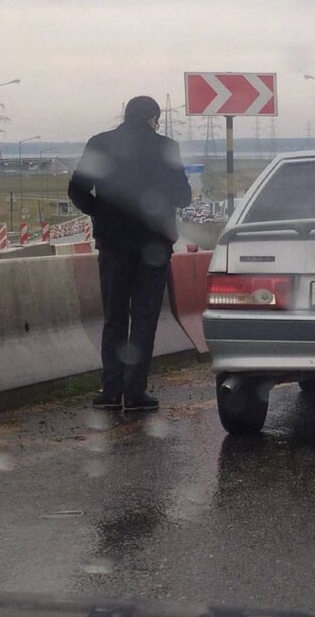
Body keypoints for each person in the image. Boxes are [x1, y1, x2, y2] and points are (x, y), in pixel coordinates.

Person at [68, 95, 192, 412]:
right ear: (153, 118)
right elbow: (183, 197)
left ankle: (110, 391)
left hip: (113, 243)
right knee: (145, 316)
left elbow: (77, 190)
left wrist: (102, 213)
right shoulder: (166, 147)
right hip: (154, 245)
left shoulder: (100, 143)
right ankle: (135, 393)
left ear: (126, 116)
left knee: (114, 316)